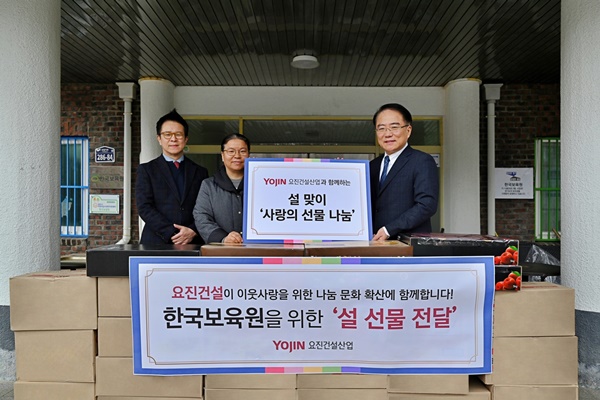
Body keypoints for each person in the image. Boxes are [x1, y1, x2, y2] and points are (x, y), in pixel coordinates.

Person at [136, 109, 208, 245]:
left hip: (192, 241)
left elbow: (205, 207)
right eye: (167, 134)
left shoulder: (200, 172)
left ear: (186, 139)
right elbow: (144, 207)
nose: (173, 139)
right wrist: (172, 232)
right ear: (159, 138)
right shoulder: (146, 170)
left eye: (178, 134)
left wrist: (193, 230)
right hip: (156, 241)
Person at [370, 103, 439, 240]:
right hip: (375, 242)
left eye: (394, 127)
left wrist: (389, 229)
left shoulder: (421, 161)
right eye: (381, 128)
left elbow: (426, 205)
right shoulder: (373, 166)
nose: (388, 134)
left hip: (407, 243)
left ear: (408, 130)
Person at [193, 133, 250, 244]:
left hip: (256, 248)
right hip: (221, 249)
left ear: (248, 155)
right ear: (222, 155)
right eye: (231, 151)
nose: (237, 156)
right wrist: (223, 238)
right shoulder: (208, 185)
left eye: (242, 151)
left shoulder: (259, 183)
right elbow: (201, 216)